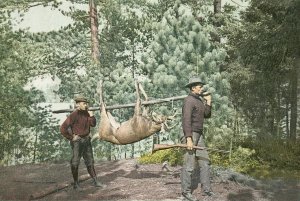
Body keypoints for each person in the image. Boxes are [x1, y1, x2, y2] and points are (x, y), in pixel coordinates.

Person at [60, 95, 106, 191]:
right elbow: (63, 128)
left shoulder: (87, 114)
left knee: (90, 161)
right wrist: (71, 137)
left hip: (86, 141)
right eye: (84, 104)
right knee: (75, 162)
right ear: (78, 105)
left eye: (86, 104)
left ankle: (95, 181)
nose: (86, 105)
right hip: (77, 142)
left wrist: (92, 115)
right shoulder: (74, 115)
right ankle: (76, 184)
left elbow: (93, 124)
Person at [180, 77, 213, 201]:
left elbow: (207, 115)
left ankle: (207, 190)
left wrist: (208, 101)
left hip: (199, 134)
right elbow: (186, 120)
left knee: (205, 162)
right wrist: (188, 138)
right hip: (190, 134)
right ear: (193, 88)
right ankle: (186, 192)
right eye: (200, 86)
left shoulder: (199, 100)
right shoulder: (188, 100)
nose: (202, 88)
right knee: (189, 164)